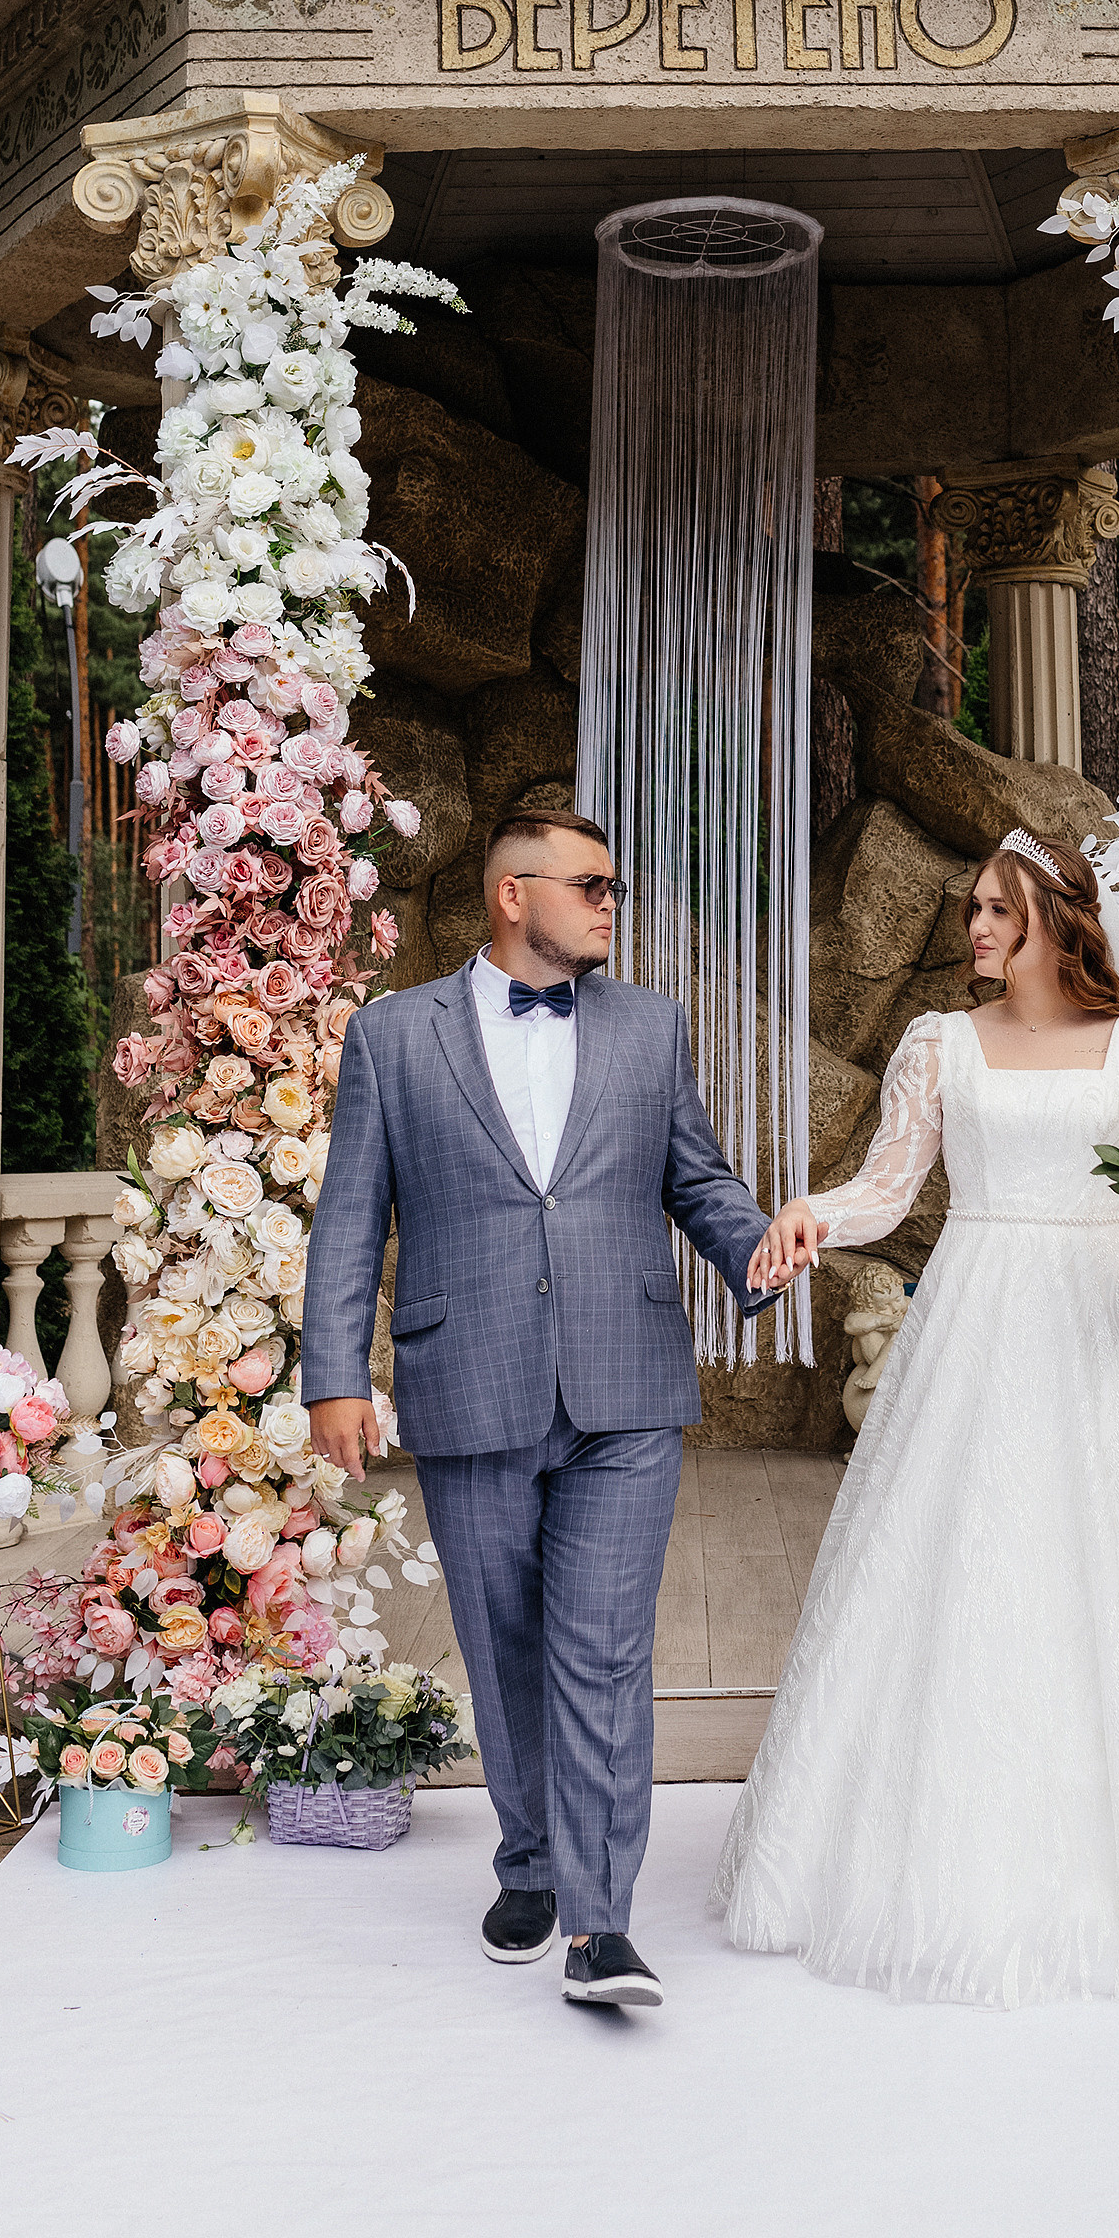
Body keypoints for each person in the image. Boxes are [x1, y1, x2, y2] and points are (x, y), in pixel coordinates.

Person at [714, 830, 1119, 2012]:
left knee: (1108, 1572)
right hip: (978, 1318)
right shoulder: (940, 1044)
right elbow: (890, 1186)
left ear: (1057, 915)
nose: (977, 928)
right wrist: (806, 1216)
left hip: (1099, 1329)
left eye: (997, 909)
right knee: (960, 1562)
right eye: (972, 912)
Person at [302, 806, 786, 2011]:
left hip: (624, 1379)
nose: (611, 903)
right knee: (505, 1644)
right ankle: (526, 1861)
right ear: (512, 895)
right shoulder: (391, 1035)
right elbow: (352, 1216)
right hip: (469, 1376)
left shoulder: (649, 1027)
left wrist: (752, 1250)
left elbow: (698, 1174)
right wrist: (333, 1376)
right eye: (591, 885)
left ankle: (600, 1927)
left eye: (612, 884)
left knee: (604, 1652)